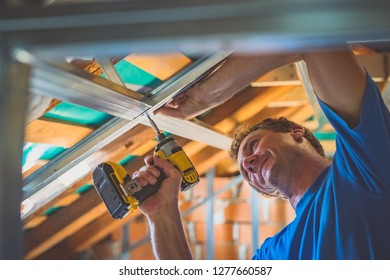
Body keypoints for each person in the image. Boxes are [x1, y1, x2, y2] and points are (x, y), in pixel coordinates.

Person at [131, 46, 390, 259]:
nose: (250, 163)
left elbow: (315, 38)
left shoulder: (363, 167)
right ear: (267, 192)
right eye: (246, 171)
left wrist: (207, 95)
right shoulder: (272, 254)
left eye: (254, 145)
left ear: (296, 132)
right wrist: (162, 213)